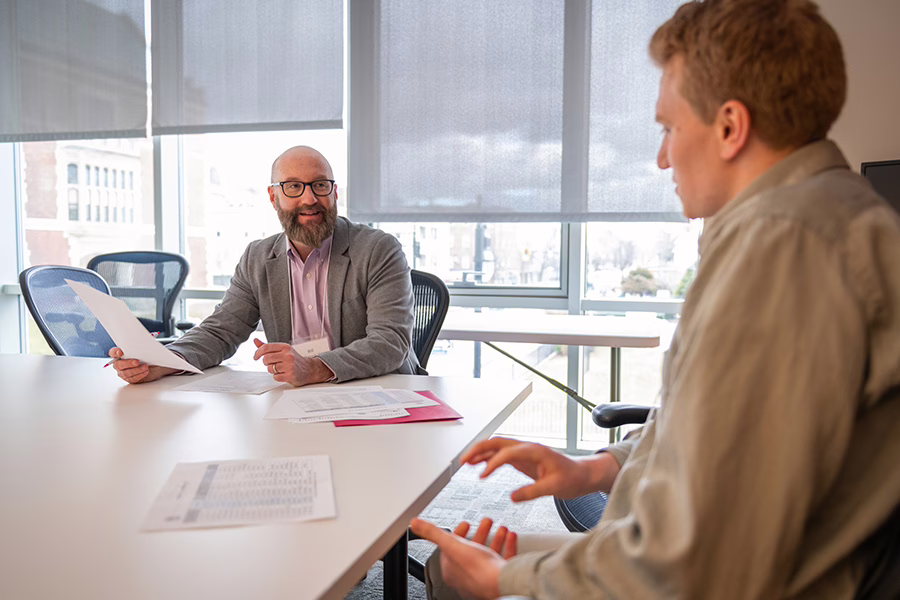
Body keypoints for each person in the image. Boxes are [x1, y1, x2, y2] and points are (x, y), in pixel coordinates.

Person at [411, 0, 900, 598]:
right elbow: (714, 433)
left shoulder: (785, 247)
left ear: (729, 127)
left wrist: (504, 579)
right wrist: (596, 468)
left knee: (452, 572)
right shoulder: (828, 213)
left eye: (668, 128)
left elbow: (697, 563)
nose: (662, 156)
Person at [109, 145, 423, 387]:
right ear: (273, 197)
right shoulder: (257, 258)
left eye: (320, 186)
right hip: (299, 400)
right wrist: (163, 361)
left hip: (381, 393)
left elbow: (390, 343)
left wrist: (314, 368)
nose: (309, 198)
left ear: (335, 192)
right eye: (293, 187)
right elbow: (220, 333)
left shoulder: (378, 249)